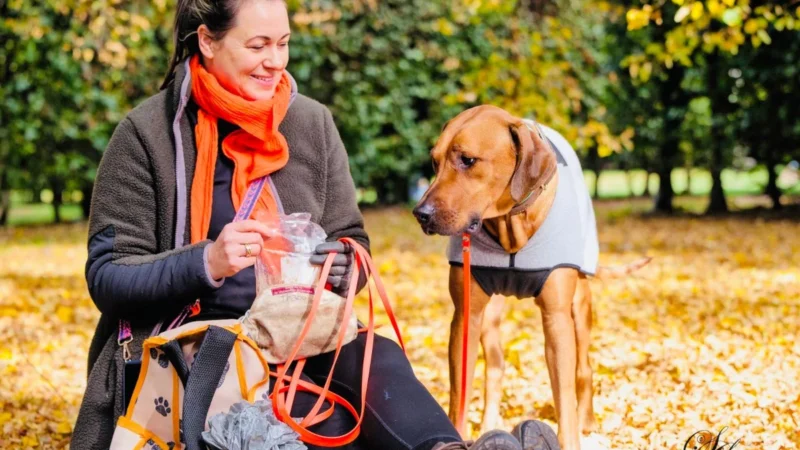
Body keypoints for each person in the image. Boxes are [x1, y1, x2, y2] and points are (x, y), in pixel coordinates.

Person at [71, 0, 560, 449]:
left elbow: (352, 238)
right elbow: (110, 279)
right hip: (192, 352)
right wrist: (207, 261)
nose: (275, 61)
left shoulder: (311, 123)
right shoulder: (143, 136)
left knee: (374, 355)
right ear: (207, 41)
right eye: (257, 45)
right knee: (306, 421)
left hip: (305, 336)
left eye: (282, 43)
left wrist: (346, 264)